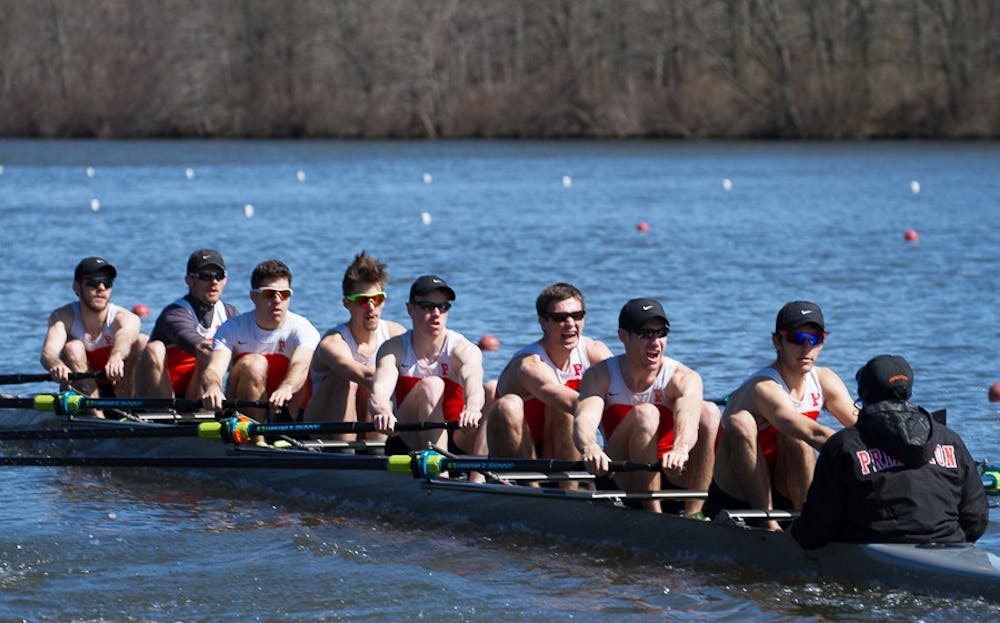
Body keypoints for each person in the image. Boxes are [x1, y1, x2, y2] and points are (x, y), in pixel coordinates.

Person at [791, 354, 988, 548]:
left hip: (873, 549)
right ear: (908, 393)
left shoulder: (843, 445)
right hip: (949, 545)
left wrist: (793, 533)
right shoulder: (949, 440)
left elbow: (815, 531)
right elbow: (976, 519)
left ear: (863, 395)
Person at [704, 301, 857, 529]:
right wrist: (859, 456)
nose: (806, 348)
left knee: (798, 440)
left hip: (784, 485)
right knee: (748, 423)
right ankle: (771, 525)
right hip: (735, 493)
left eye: (815, 339)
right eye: (797, 339)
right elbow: (811, 431)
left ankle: (806, 522)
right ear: (777, 341)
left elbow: (863, 425)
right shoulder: (763, 386)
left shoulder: (824, 379)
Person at [573, 298, 721, 515]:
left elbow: (688, 418)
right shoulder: (600, 375)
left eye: (661, 333)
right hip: (620, 473)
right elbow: (584, 419)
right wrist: (590, 447)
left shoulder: (683, 377)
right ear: (623, 336)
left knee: (709, 412)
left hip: (673, 470)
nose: (655, 342)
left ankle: (695, 513)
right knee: (646, 413)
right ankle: (653, 514)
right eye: (645, 334)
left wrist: (680, 449)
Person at [490, 283, 612, 465]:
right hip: (519, 450)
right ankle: (529, 487)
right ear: (543, 322)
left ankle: (570, 486)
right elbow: (569, 401)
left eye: (577, 315)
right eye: (560, 318)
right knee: (512, 405)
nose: (570, 323)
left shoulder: (595, 351)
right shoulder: (529, 364)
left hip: (563, 446)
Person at [368, 275, 486, 459]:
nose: (437, 313)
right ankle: (441, 476)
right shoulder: (394, 349)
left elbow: (474, 380)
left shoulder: (463, 349)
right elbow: (379, 391)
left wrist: (472, 408)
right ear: (410, 309)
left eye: (443, 307)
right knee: (432, 385)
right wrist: (382, 411)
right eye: (428, 306)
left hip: (457, 435)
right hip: (407, 439)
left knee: (494, 391)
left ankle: (478, 481)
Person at [201, 259, 320, 421]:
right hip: (243, 411)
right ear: (254, 296)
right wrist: (213, 387)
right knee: (254, 364)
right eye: (269, 294)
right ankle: (257, 439)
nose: (278, 300)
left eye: (284, 294)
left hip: (287, 406)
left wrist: (287, 387)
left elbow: (302, 364)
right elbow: (213, 369)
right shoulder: (231, 329)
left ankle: (289, 427)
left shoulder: (303, 328)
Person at [304, 252, 405, 438]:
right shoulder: (333, 343)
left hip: (373, 419)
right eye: (362, 301)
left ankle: (379, 447)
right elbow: (363, 374)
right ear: (346, 304)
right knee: (350, 378)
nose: (371, 308)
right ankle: (345, 450)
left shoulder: (396, 334)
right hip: (322, 426)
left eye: (377, 299)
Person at [134, 249, 238, 399]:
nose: (214, 282)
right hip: (160, 395)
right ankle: (167, 413)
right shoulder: (174, 314)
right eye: (205, 276)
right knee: (156, 348)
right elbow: (202, 348)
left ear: (225, 279)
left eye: (219, 276)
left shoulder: (230, 313)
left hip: (196, 393)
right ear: (189, 280)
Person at [40, 256, 146, 403]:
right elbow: (48, 352)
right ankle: (96, 414)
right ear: (77, 287)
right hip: (80, 390)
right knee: (73, 347)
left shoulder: (126, 317)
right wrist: (56, 365)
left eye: (107, 283)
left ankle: (127, 408)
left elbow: (125, 336)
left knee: (142, 341)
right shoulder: (63, 316)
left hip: (121, 385)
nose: (101, 288)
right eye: (93, 282)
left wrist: (116, 356)